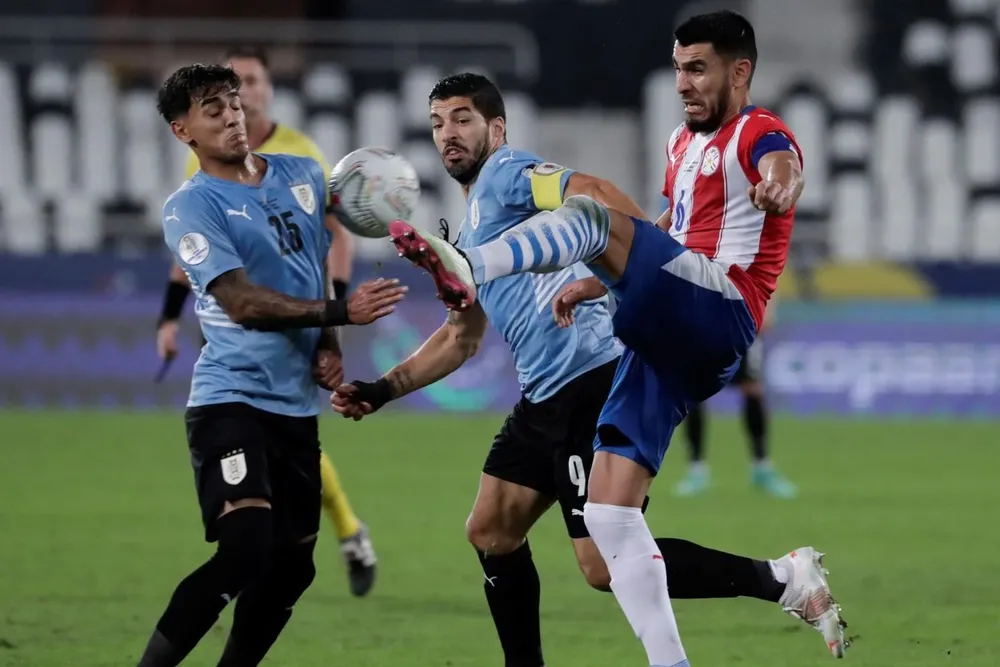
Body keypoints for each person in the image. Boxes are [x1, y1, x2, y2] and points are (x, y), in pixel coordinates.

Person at [335, 71, 846, 666]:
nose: (448, 134)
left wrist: (652, 265)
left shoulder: (506, 174)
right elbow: (461, 336)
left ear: (496, 128)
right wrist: (384, 388)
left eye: (462, 119)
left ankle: (782, 578)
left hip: (590, 380)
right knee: (491, 530)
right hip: (542, 398)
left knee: (604, 564)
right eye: (437, 123)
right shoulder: (470, 225)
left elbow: (593, 191)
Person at [136, 63, 406, 667]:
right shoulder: (191, 207)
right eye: (213, 108)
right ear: (184, 131)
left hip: (293, 408)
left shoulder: (303, 175)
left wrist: (330, 342)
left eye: (233, 102)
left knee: (292, 569)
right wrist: (341, 309)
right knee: (244, 550)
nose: (232, 115)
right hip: (230, 397)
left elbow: (309, 269)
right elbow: (242, 303)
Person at [675, 305, 798, 497]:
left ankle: (762, 467)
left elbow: (769, 276)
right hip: (704, 319)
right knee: (695, 391)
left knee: (752, 388)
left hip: (743, 316)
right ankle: (696, 470)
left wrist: (767, 308)